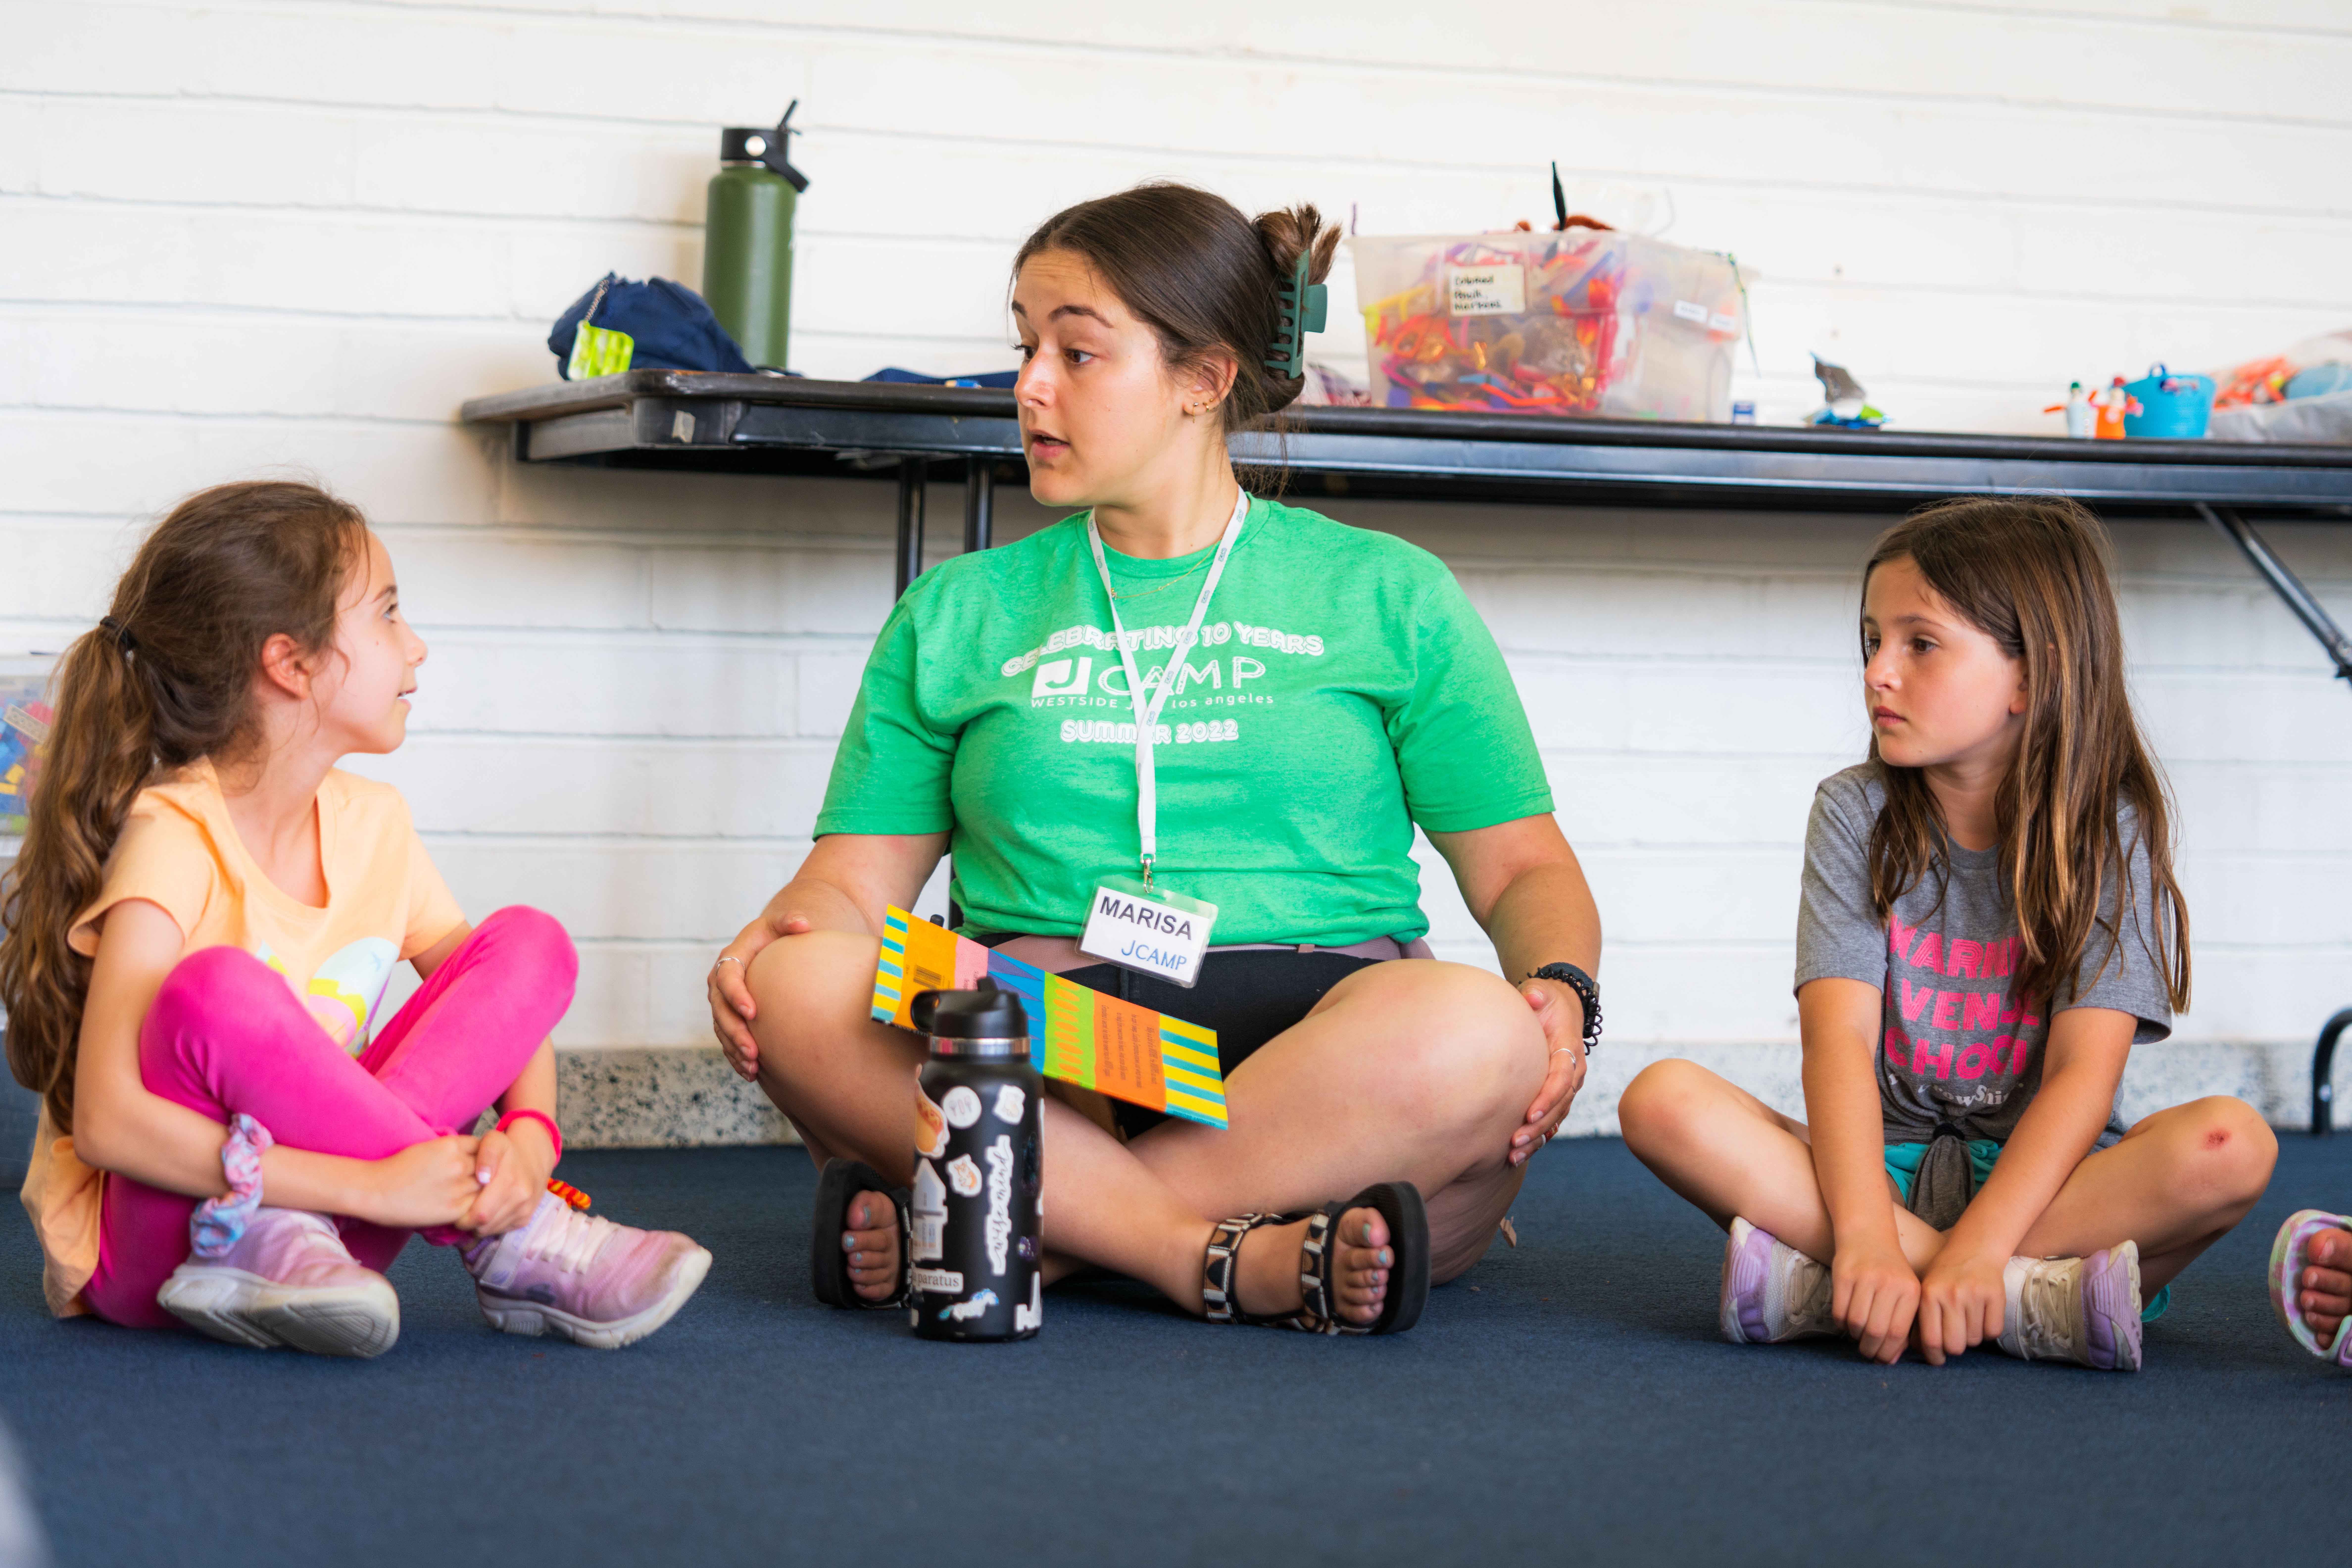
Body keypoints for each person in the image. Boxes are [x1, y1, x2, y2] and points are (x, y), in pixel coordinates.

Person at [708, 183, 1603, 1334]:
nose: (1030, 384)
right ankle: (1211, 1252)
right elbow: (850, 889)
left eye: (1078, 352)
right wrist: (778, 932)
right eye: (1026, 346)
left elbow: (1524, 868)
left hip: (1320, 1033)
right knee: (799, 984)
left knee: (1478, 1035)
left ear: (1205, 379)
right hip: (1052, 1030)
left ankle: (1004, 1225)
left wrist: (1561, 997)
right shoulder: (959, 612)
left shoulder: (1389, 593)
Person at [0, 481, 710, 1356]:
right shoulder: (174, 835)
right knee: (222, 993)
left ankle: (372, 1231)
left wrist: (529, 1134)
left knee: (532, 943)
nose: (416, 647)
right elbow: (109, 1123)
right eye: (388, 615)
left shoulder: (376, 823)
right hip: (164, 1248)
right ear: (290, 665)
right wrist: (378, 1191)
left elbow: (500, 997)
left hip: (333, 1221)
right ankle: (505, 1239)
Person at [1618, 496, 2275, 1371]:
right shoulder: (1854, 811)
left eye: (1919, 644)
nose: (1878, 672)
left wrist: (1979, 1243)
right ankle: (2023, 1302)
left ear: (2031, 677)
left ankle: (1847, 1294)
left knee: (2234, 1148)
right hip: (1875, 1179)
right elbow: (1840, 1041)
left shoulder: (2110, 833)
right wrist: (1865, 1237)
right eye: (1871, 641)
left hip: (2050, 1191)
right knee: (1661, 1101)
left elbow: (2085, 1074)